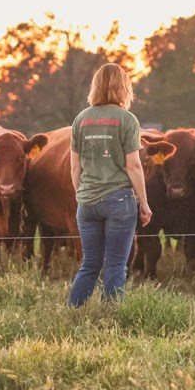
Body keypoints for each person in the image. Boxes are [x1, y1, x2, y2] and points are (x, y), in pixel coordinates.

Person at [67, 63, 152, 306]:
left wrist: (82, 196)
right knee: (116, 264)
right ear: (123, 88)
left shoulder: (81, 120)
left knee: (90, 263)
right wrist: (144, 203)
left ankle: (74, 310)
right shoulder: (127, 120)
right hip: (118, 201)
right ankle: (111, 316)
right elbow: (134, 166)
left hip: (87, 202)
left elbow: (75, 167)